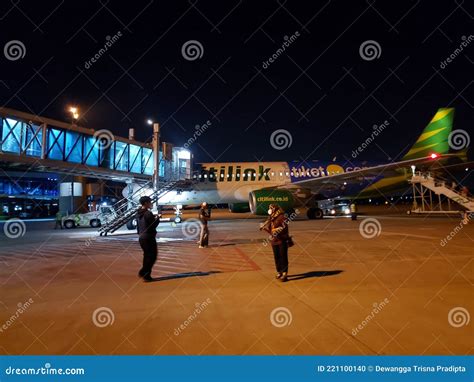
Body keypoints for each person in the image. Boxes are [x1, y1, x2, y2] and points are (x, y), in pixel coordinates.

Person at [260, 204, 290, 282]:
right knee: (276, 257)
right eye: (269, 208)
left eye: (271, 208)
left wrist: (276, 230)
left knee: (283, 257)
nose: (270, 210)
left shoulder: (282, 217)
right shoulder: (271, 218)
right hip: (274, 241)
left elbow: (284, 227)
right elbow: (270, 229)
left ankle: (284, 274)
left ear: (275, 209)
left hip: (282, 240)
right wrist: (263, 227)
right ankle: (279, 271)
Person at [137, 196, 160, 282]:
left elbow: (139, 226)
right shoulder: (148, 213)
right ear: (146, 203)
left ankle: (146, 274)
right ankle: (144, 272)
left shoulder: (139, 212)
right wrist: (157, 218)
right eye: (150, 202)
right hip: (149, 237)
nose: (151, 203)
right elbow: (153, 225)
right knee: (152, 256)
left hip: (142, 237)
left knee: (147, 256)